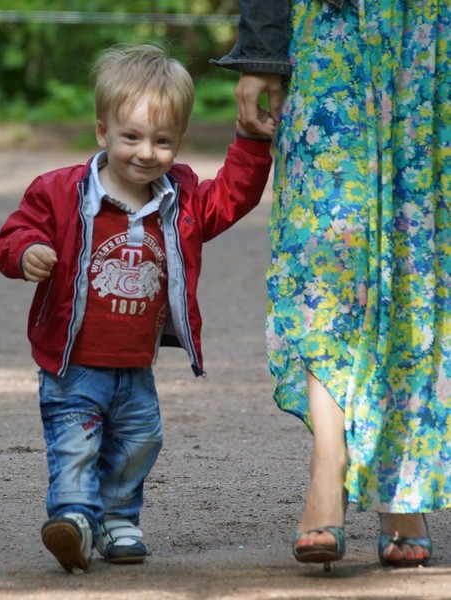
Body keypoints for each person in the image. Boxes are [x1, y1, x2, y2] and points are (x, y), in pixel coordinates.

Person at [0, 43, 273, 573]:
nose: (146, 153)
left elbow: (233, 197)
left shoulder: (179, 199)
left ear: (179, 142)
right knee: (75, 446)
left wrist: (253, 141)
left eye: (162, 141)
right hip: (72, 362)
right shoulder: (59, 192)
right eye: (132, 137)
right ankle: (74, 519)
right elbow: (16, 232)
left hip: (136, 364)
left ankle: (119, 518)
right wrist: (26, 251)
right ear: (103, 132)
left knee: (140, 442)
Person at [214, 0, 450, 569]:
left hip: (428, 39)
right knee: (323, 264)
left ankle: (400, 483)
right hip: (330, 33)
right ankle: (329, 463)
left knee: (413, 263)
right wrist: (262, 51)